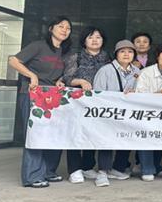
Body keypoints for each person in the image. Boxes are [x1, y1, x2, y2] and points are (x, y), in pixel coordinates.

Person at [9, 16, 72, 188]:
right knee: (35, 135)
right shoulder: (38, 46)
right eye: (61, 26)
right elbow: (13, 60)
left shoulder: (65, 52)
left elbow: (61, 74)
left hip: (53, 97)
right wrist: (31, 75)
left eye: (68, 28)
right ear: (51, 28)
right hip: (32, 95)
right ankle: (32, 176)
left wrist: (60, 81)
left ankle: (49, 171)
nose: (65, 30)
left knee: (54, 134)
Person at [63, 26, 112, 184]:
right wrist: (81, 81)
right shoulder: (76, 57)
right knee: (76, 134)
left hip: (100, 103)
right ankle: (75, 169)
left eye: (98, 37)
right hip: (79, 103)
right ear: (84, 41)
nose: (95, 40)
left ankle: (88, 166)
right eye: (91, 37)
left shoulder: (108, 58)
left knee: (96, 133)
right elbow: (67, 78)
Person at [92, 40, 141, 187]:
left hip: (129, 113)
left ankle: (118, 168)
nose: (126, 54)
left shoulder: (137, 72)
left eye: (130, 51)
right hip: (109, 112)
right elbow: (97, 92)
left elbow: (142, 91)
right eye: (122, 51)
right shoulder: (106, 70)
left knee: (126, 138)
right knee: (106, 141)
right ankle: (102, 172)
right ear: (116, 54)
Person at [135, 44, 162, 181]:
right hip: (147, 111)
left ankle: (156, 166)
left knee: (160, 137)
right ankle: (146, 169)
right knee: (146, 139)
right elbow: (139, 95)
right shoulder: (146, 72)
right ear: (158, 56)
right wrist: (160, 93)